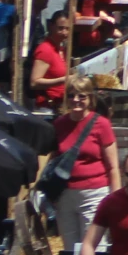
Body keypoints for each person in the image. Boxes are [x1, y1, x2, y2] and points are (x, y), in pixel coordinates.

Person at [51, 83, 120, 241]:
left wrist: (116, 200)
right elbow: (54, 159)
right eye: (71, 96)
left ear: (90, 98)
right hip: (65, 194)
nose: (76, 100)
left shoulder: (101, 124)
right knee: (70, 250)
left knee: (93, 248)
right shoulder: (59, 124)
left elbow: (113, 167)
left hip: (94, 193)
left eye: (81, 96)